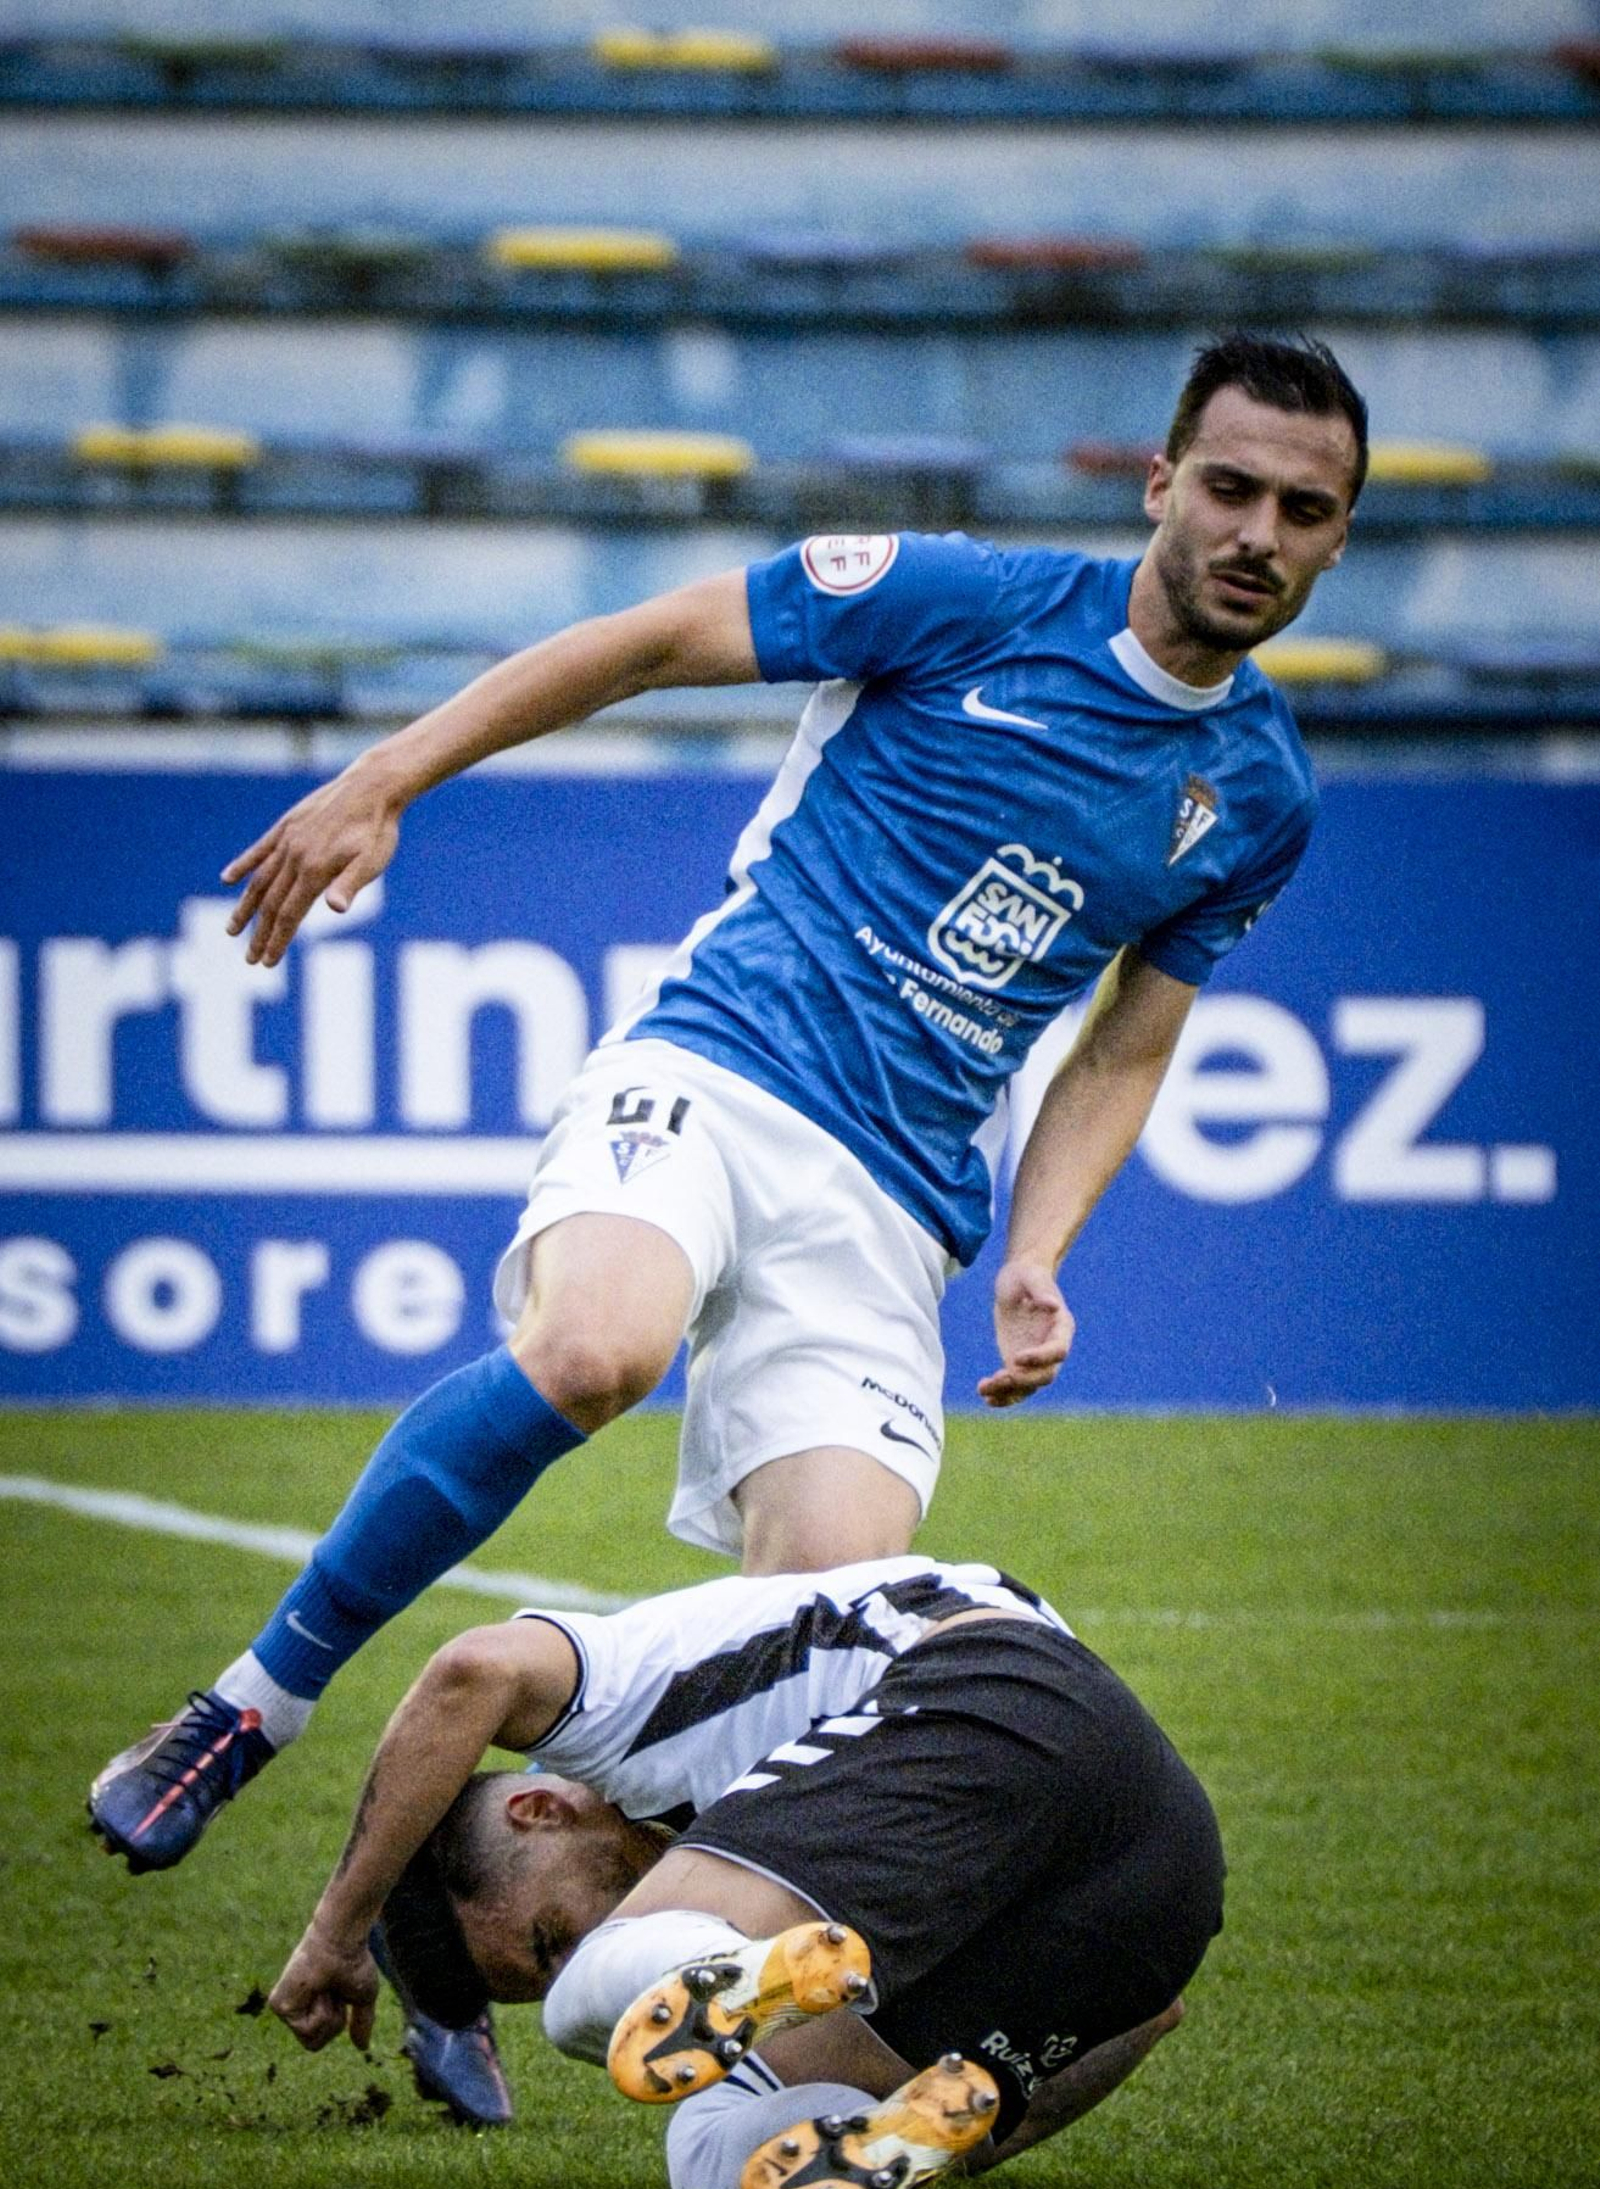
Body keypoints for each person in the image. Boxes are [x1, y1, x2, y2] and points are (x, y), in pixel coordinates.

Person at [90, 333, 1356, 2068]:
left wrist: (1043, 1246)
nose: (1259, 532)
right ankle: (255, 1700)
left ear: (1338, 536)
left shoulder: (1263, 792)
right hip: (722, 1072)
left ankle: (474, 1942)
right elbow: (652, 639)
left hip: (895, 1211)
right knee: (595, 1347)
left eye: (1306, 508)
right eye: (1231, 487)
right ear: (1160, 482)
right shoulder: (965, 600)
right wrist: (392, 773)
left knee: (835, 1654)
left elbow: (1131, 1042)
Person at [266, 1554, 1223, 2189]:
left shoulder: (624, 1705)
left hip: (983, 1691)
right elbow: (1151, 2010)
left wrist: (335, 1930)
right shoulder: (810, 1823)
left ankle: (746, 1976)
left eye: (551, 1938)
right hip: (1159, 1884)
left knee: (585, 2015)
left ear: (538, 1811)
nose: (585, 1941)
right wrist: (995, 2106)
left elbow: (474, 1667)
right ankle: (909, 2130)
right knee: (710, 2141)